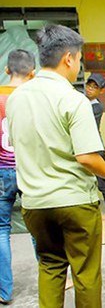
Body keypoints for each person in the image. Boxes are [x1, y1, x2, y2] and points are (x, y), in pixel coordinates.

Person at [6, 24, 105, 308]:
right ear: (69, 58)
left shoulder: (16, 98)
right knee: (86, 274)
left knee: (50, 267)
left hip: (34, 204)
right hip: (74, 203)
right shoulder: (73, 99)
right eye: (79, 59)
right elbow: (87, 157)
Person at [0, 49, 35, 305]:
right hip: (28, 169)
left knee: (1, 229)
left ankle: (4, 290)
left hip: (1, 171)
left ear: (7, 70)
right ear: (32, 72)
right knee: (37, 224)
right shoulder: (32, 97)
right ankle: (55, 276)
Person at [85, 73, 105, 213]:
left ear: (100, 91)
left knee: (101, 182)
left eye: (94, 87)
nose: (90, 89)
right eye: (88, 85)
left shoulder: (96, 107)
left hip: (96, 148)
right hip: (88, 147)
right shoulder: (83, 101)